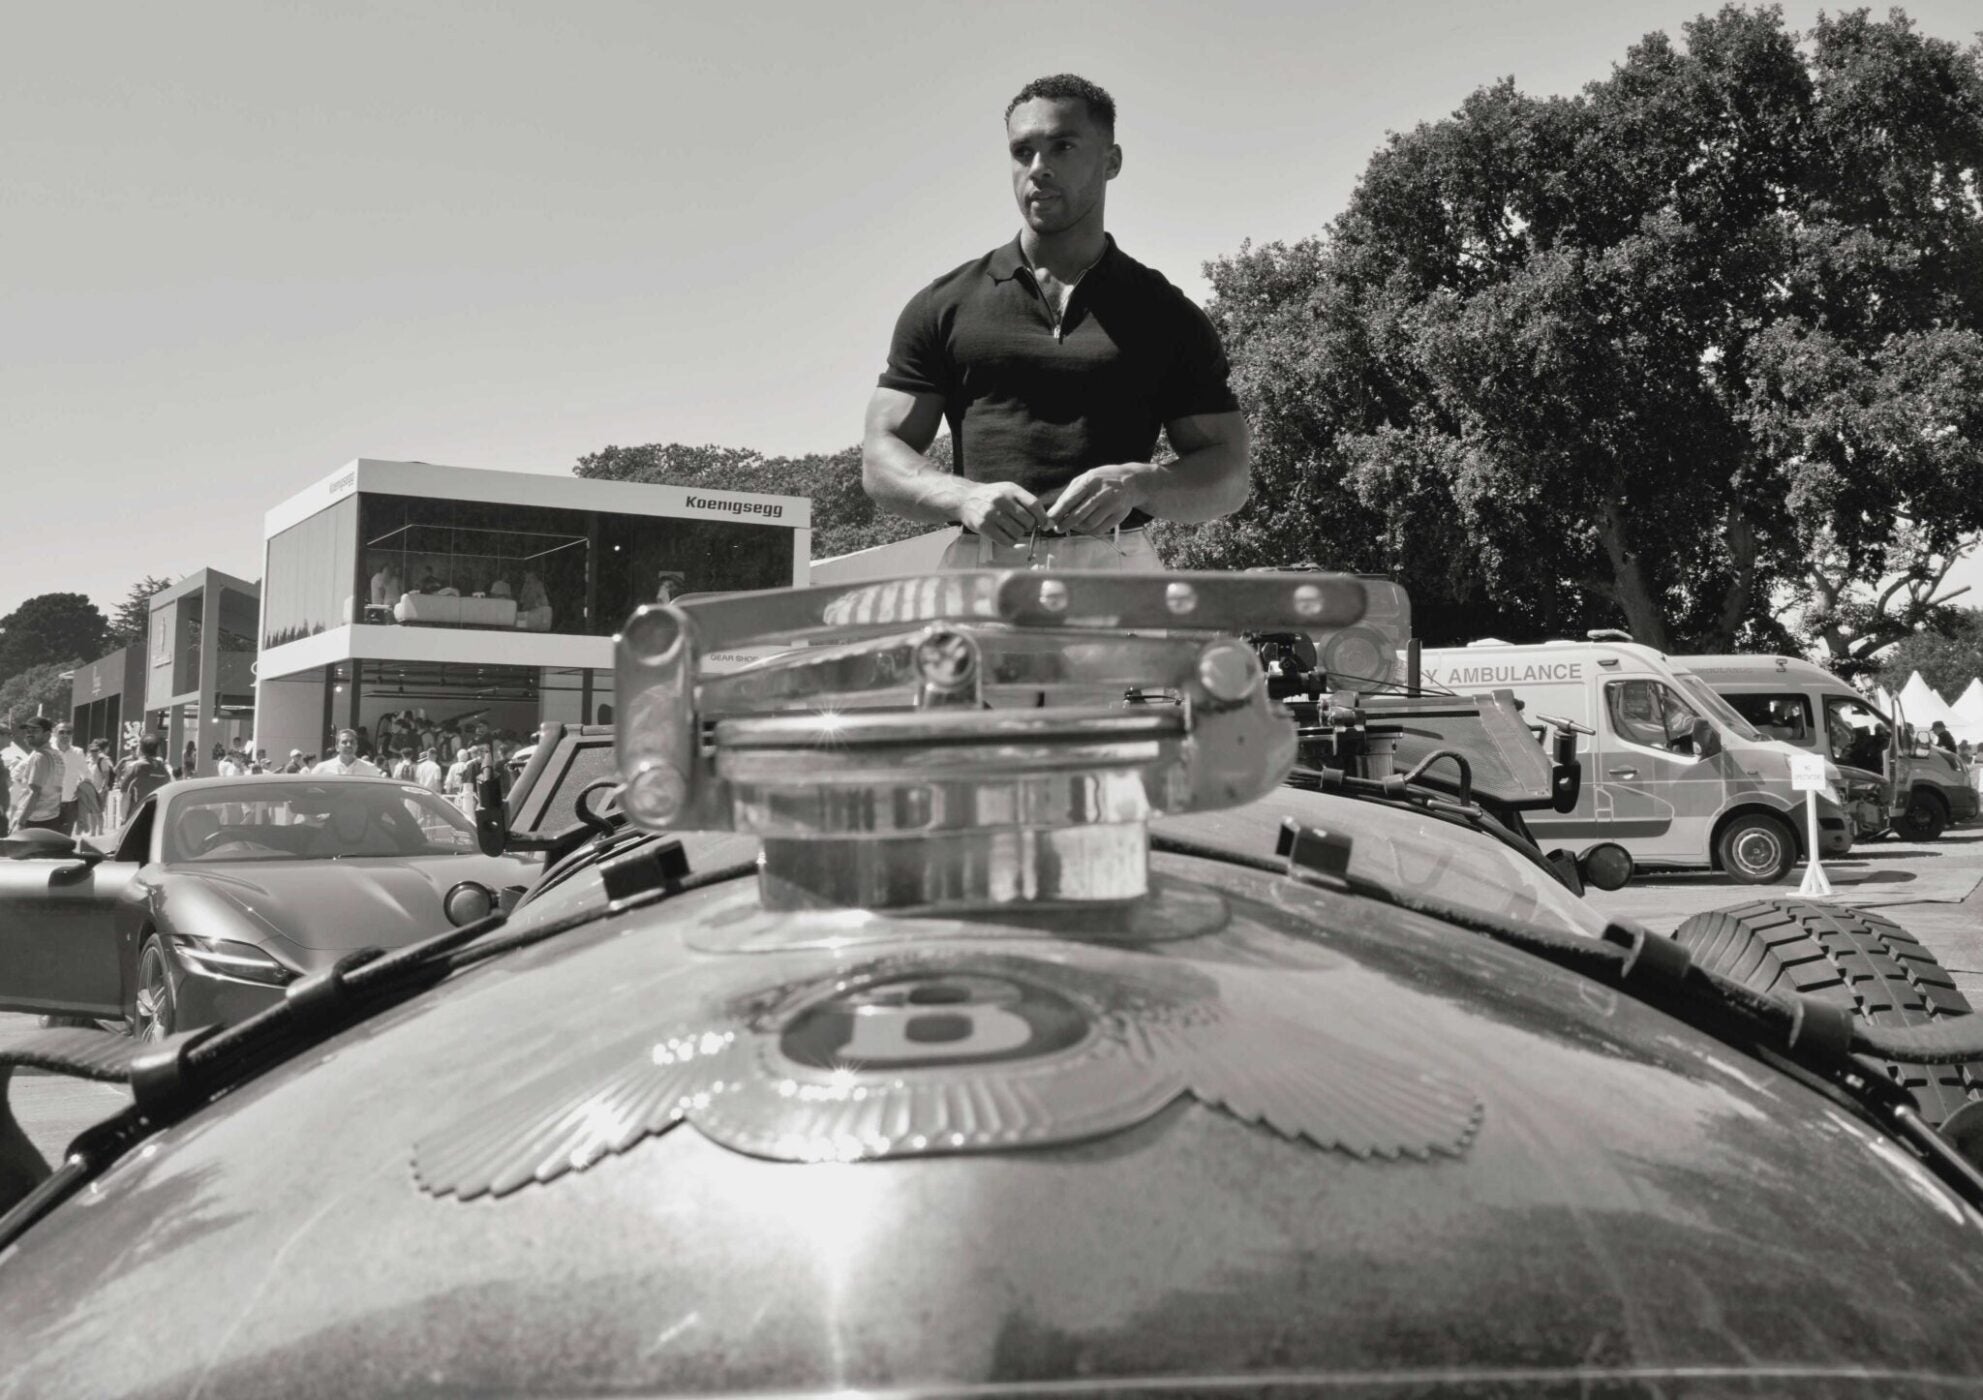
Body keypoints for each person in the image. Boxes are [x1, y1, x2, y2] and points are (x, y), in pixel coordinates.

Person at [862, 74, 1249, 573]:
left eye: (1062, 147)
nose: (1038, 168)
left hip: (1115, 565)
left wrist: (1139, 484)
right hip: (983, 568)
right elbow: (881, 457)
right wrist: (961, 496)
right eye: (1023, 152)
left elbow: (1228, 474)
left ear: (1111, 162)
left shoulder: (1167, 315)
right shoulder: (944, 304)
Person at [10, 717, 65, 832]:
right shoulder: (57, 755)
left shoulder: (39, 756)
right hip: (52, 818)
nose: (29, 734)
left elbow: (34, 792)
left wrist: (20, 822)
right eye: (28, 731)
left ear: (47, 735)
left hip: (34, 821)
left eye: (34, 731)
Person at [116, 732, 174, 811]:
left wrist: (123, 820)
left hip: (138, 815)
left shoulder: (134, 768)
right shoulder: (164, 768)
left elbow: (125, 797)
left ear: (140, 749)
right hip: (158, 814)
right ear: (157, 750)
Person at [50, 723, 88, 834]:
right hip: (50, 803)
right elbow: (22, 770)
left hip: (70, 804)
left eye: (68, 732)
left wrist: (84, 787)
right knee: (49, 839)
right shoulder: (47, 751)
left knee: (65, 839)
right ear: (55, 734)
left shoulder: (78, 752)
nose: (65, 735)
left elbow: (86, 774)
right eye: (61, 732)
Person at [313, 729, 383, 777]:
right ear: (337, 747)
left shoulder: (370, 769)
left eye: (352, 742)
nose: (349, 745)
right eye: (344, 742)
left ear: (356, 746)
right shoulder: (322, 768)